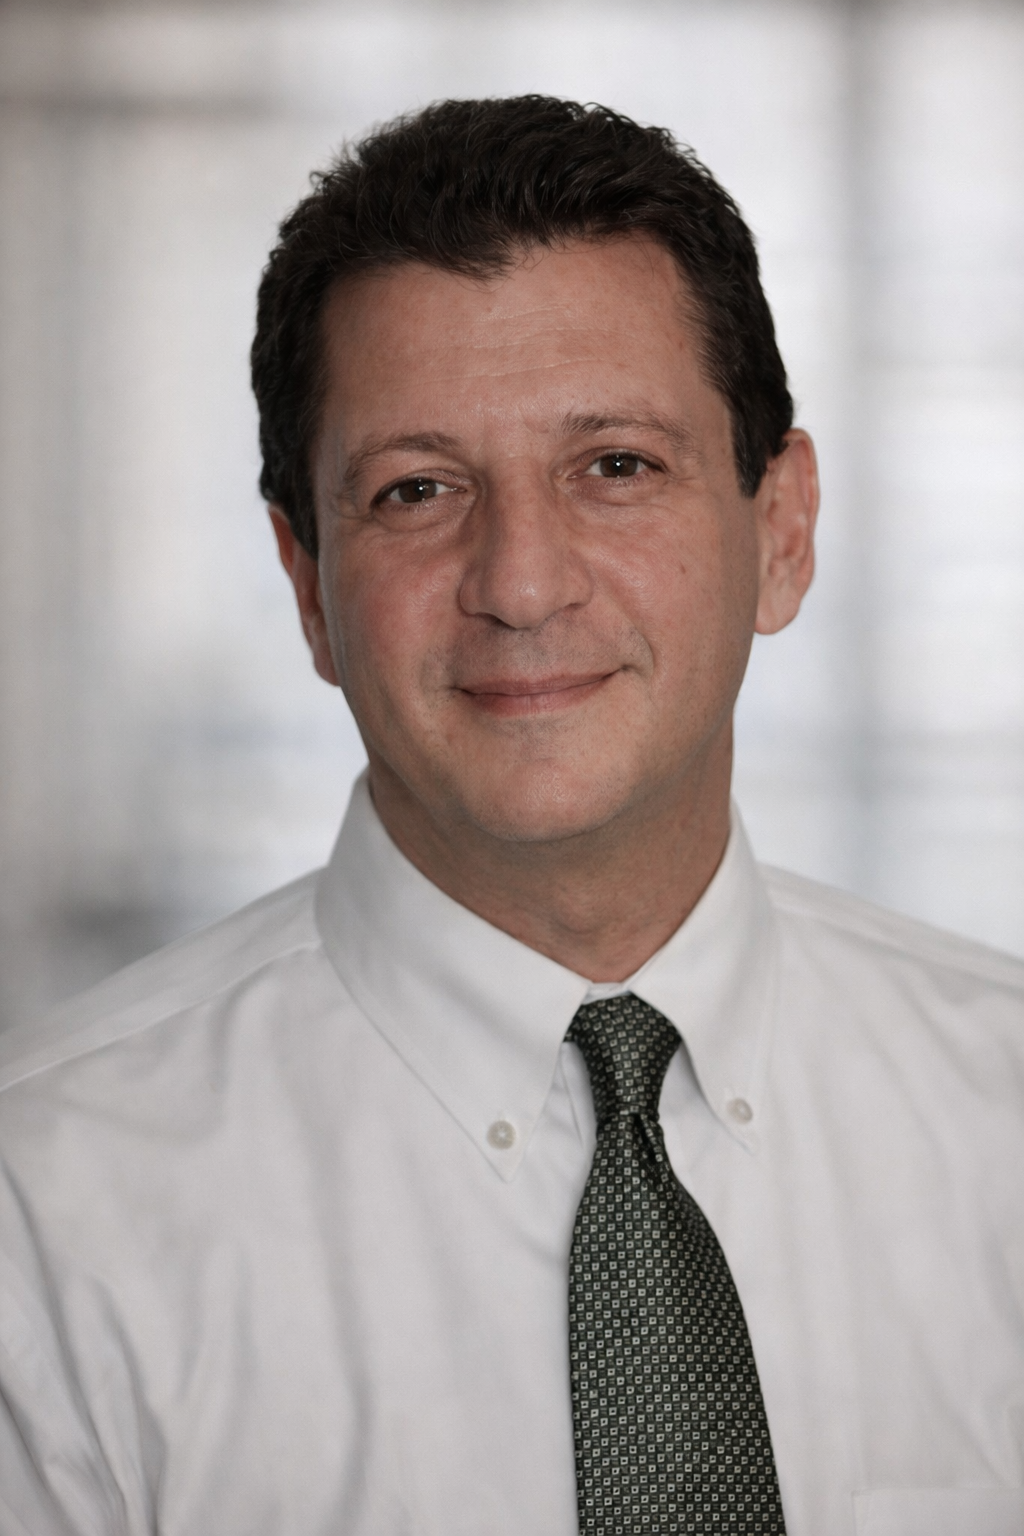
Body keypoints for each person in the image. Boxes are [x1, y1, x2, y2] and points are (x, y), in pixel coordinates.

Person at [1, 95, 1022, 1536]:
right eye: (416, 490)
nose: (523, 583)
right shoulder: (42, 1219)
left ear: (781, 529)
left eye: (617, 466)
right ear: (308, 586)